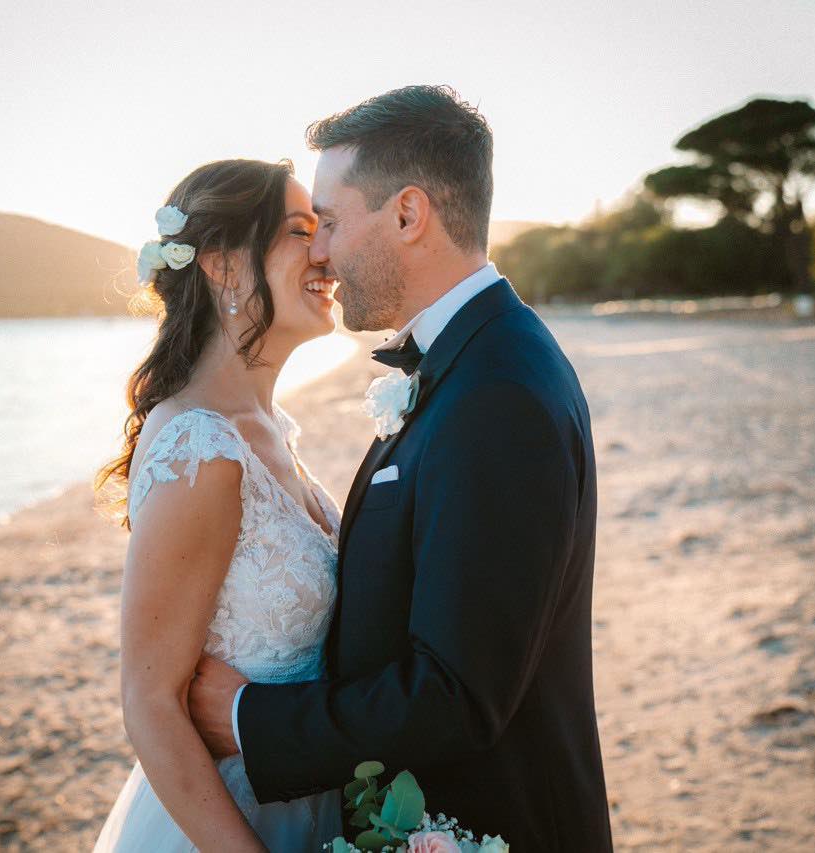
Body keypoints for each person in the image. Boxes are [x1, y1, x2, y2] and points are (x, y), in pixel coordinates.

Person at [187, 85, 614, 851]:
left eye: (331, 221)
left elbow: (455, 692)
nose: (318, 250)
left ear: (409, 215)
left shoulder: (498, 393)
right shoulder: (473, 362)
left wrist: (251, 720)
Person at [91, 158, 345, 852]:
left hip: (311, 802)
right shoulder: (202, 449)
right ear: (224, 267)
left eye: (323, 229)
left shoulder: (271, 430)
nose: (327, 251)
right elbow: (149, 703)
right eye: (300, 232)